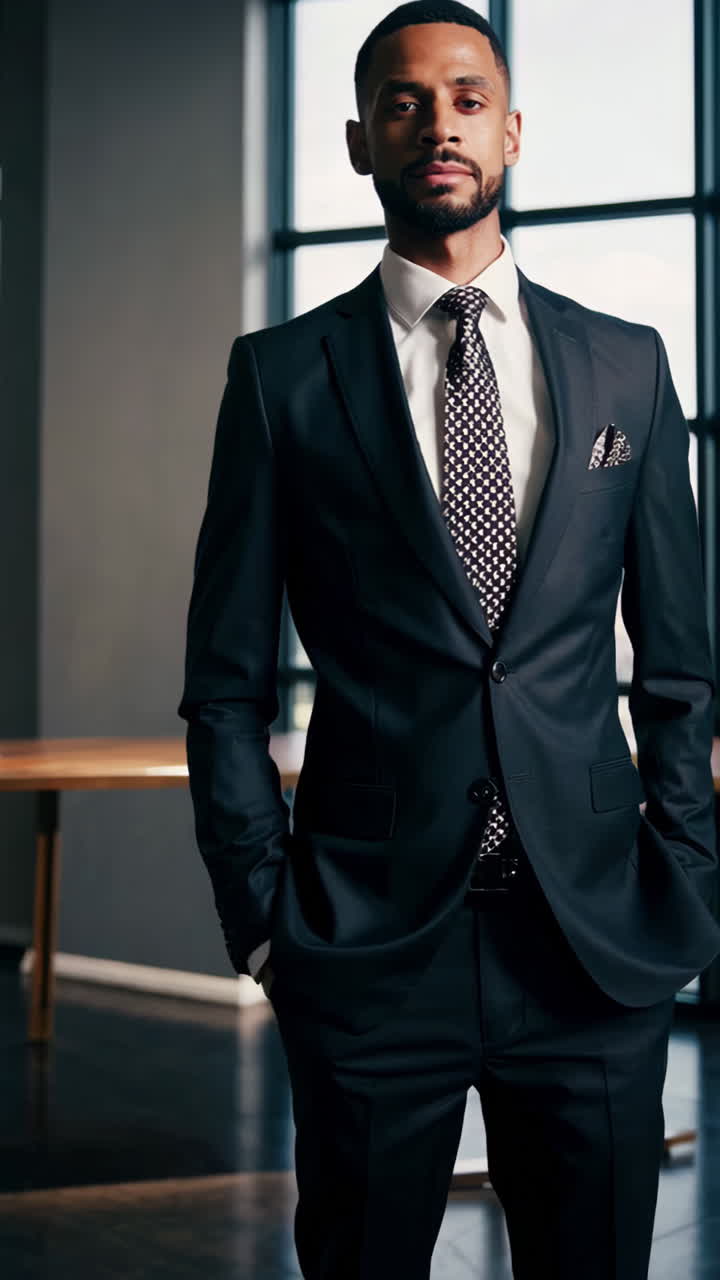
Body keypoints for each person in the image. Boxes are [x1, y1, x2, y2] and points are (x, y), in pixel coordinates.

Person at [177, 3, 720, 1276]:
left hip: (591, 941)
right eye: (406, 102)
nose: (440, 124)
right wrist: (263, 920)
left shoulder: (627, 368)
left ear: (514, 131)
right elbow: (224, 684)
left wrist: (685, 874)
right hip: (365, 947)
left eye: (468, 97)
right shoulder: (282, 378)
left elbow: (684, 665)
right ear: (362, 140)